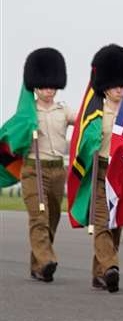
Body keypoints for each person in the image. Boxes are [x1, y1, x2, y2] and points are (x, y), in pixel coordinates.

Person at [88, 44, 123, 293]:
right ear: (105, 86)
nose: (119, 89)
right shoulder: (94, 113)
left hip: (121, 173)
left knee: (115, 224)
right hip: (100, 171)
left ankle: (101, 272)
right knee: (101, 222)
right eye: (115, 85)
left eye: (122, 84)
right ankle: (110, 266)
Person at [20, 48, 69, 282]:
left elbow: (86, 122)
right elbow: (12, 135)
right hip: (33, 169)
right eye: (44, 86)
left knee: (51, 219)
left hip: (58, 170)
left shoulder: (63, 111)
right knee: (39, 216)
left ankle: (38, 266)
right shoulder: (27, 113)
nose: (49, 90)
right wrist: (26, 132)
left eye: (52, 86)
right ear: (36, 87)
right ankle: (48, 259)